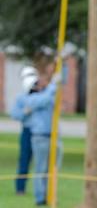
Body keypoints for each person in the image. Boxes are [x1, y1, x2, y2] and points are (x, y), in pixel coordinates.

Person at [25, 72, 62, 206]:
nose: (40, 84)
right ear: (32, 87)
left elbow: (59, 88)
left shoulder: (47, 94)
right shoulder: (32, 99)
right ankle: (40, 198)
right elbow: (46, 99)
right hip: (40, 138)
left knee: (53, 169)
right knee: (40, 168)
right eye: (37, 83)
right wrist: (53, 83)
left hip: (54, 136)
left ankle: (51, 195)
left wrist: (62, 65)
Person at [9, 66, 38, 195]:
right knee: (24, 160)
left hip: (40, 133)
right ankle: (20, 188)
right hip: (27, 131)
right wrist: (24, 112)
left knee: (41, 163)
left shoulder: (41, 95)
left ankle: (42, 191)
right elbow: (14, 113)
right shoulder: (21, 97)